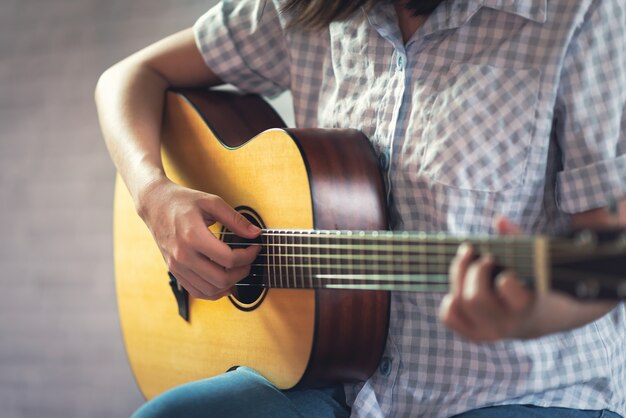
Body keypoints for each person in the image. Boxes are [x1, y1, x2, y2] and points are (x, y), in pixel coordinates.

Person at [95, 0, 626, 416]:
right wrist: (155, 195)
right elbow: (128, 78)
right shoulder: (308, 10)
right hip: (335, 384)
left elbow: (608, 261)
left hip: (527, 391)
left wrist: (532, 312)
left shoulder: (580, 13)